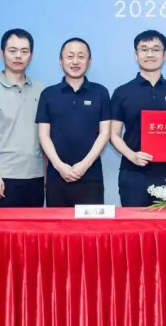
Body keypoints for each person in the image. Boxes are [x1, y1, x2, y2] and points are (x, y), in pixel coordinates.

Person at [110, 30, 166, 206]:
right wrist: (132, 156)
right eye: (144, 49)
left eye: (156, 49)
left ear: (164, 55)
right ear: (136, 55)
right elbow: (113, 134)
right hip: (133, 173)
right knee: (134, 223)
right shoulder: (122, 92)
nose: (150, 54)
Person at [35, 38, 111, 207]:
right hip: (57, 176)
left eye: (81, 56)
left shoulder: (100, 92)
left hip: (91, 177)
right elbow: (43, 135)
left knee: (91, 224)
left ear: (89, 61)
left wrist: (84, 165)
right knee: (58, 224)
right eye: (70, 56)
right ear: (60, 61)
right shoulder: (48, 94)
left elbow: (105, 133)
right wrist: (59, 166)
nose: (75, 61)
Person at [0, 29, 44, 207]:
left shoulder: (41, 90)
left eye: (24, 51)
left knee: (34, 226)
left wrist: (46, 175)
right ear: (2, 54)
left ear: (31, 55)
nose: (18, 56)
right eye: (12, 50)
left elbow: (45, 136)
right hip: (4, 177)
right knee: (5, 227)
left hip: (36, 175)